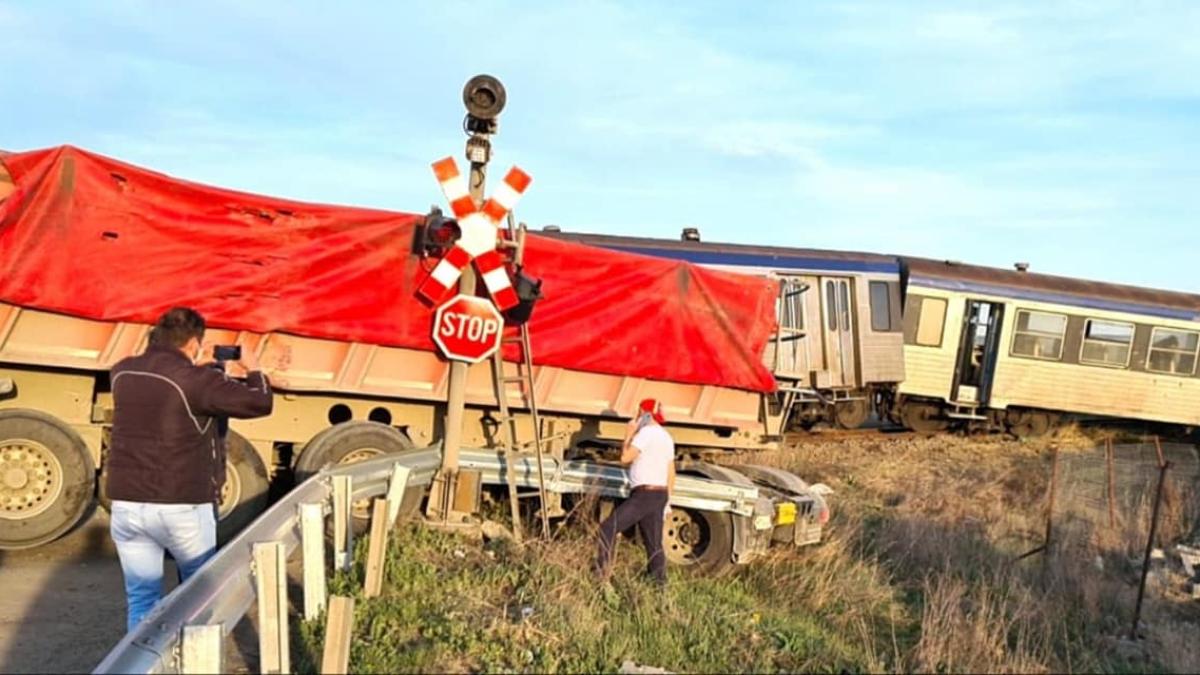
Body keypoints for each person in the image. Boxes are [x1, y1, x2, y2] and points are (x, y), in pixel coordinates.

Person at [106, 307, 275, 631]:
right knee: (198, 599)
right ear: (194, 343)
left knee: (142, 600)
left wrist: (201, 367)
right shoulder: (198, 381)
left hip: (127, 504)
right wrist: (253, 369)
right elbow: (259, 403)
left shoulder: (122, 372)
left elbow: (168, 391)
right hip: (182, 505)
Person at [595, 398, 676, 586]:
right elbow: (671, 473)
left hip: (644, 494)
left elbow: (625, 458)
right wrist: (667, 502)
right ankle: (659, 583)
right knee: (654, 543)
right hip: (660, 494)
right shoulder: (666, 437)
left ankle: (602, 575)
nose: (636, 417)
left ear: (645, 415)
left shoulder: (645, 434)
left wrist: (628, 435)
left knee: (608, 528)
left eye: (638, 413)